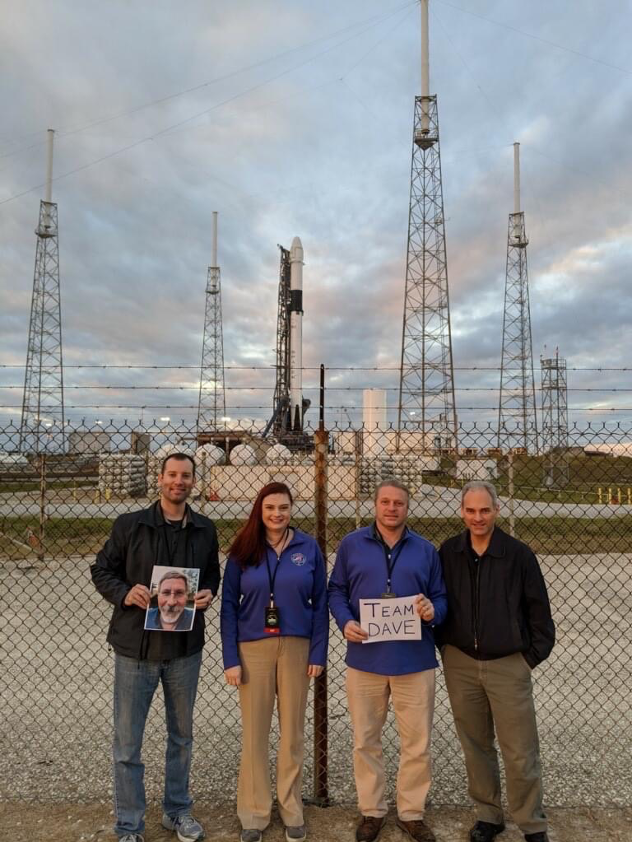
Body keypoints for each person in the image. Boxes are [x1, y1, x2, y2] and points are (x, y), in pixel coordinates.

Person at [91, 452, 220, 842]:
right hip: (136, 650)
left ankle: (176, 811)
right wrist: (124, 592)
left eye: (186, 476)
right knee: (128, 743)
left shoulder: (204, 529)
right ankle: (130, 825)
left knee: (181, 737)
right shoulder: (131, 526)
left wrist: (208, 593)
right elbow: (101, 569)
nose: (178, 482)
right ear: (160, 478)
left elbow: (212, 574)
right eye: (172, 475)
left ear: (193, 482)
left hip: (184, 651)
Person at [328, 479, 447, 842]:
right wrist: (345, 621)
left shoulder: (426, 550)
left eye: (398, 503)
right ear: (375, 505)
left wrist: (432, 611)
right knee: (366, 740)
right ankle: (372, 810)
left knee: (417, 742)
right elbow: (336, 590)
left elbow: (442, 598)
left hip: (415, 661)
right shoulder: (351, 545)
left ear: (407, 507)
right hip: (366, 660)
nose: (391, 508)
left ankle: (411, 812)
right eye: (385, 502)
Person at [438, 481, 555, 842]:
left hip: (508, 664)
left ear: (496, 511)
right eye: (471, 511)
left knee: (519, 750)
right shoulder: (449, 552)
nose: (478, 517)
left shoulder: (517, 555)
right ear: (462, 512)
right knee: (476, 746)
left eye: (484, 510)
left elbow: (539, 613)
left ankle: (531, 822)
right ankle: (488, 815)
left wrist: (527, 659)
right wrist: (447, 647)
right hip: (461, 662)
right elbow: (439, 602)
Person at [220, 482, 328, 842]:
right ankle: (254, 813)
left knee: (292, 732)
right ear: (260, 510)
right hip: (254, 649)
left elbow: (321, 603)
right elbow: (228, 608)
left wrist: (317, 652)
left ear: (291, 508)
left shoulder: (307, 547)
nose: (277, 515)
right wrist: (230, 658)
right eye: (270, 509)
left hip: (296, 646)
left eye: (283, 508)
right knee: (255, 734)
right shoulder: (243, 550)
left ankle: (291, 807)